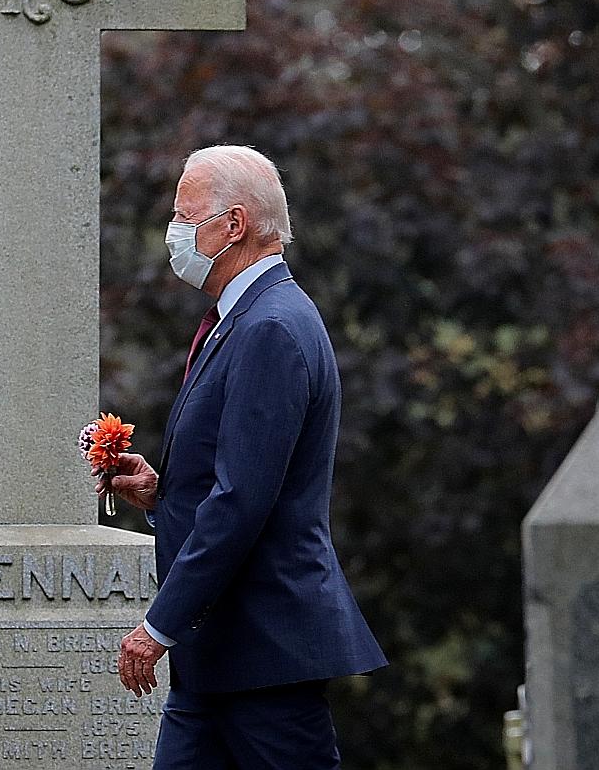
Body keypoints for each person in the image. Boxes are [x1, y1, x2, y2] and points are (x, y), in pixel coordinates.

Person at [100, 145, 386, 770]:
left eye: (184, 215)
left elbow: (243, 500)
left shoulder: (270, 328)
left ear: (233, 225)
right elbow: (234, 479)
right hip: (221, 656)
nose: (173, 232)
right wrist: (161, 491)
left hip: (264, 652)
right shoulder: (246, 320)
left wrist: (158, 626)